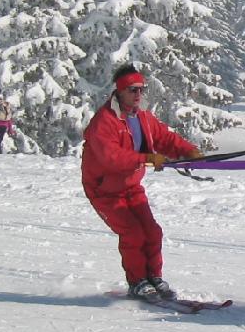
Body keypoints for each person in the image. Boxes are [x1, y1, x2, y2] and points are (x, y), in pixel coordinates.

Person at [81, 63, 202, 299]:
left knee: (153, 232)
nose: (138, 95)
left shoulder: (142, 117)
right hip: (103, 189)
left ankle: (153, 277)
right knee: (132, 233)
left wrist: (189, 152)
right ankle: (137, 281)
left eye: (141, 89)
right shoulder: (104, 121)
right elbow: (111, 158)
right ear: (120, 91)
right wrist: (146, 157)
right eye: (133, 90)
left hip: (130, 185)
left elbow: (164, 137)